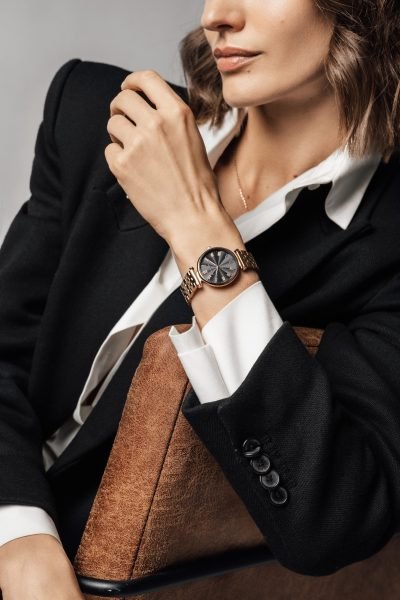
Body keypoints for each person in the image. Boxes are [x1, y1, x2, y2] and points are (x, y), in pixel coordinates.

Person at [0, 0, 399, 597]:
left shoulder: (384, 244)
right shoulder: (104, 117)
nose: (217, 15)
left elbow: (333, 521)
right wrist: (20, 533)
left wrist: (196, 226)